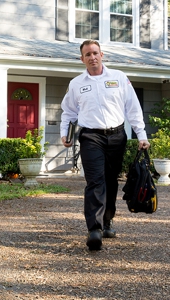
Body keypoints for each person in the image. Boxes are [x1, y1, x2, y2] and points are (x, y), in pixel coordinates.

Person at [60, 39, 150, 251]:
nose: (92, 57)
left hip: (117, 136)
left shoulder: (119, 78)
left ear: (102, 55)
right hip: (91, 137)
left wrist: (142, 135)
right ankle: (94, 229)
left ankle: (107, 221)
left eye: (95, 53)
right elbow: (69, 112)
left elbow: (133, 110)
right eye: (87, 55)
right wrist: (64, 133)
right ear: (82, 59)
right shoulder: (76, 84)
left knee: (110, 181)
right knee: (95, 181)